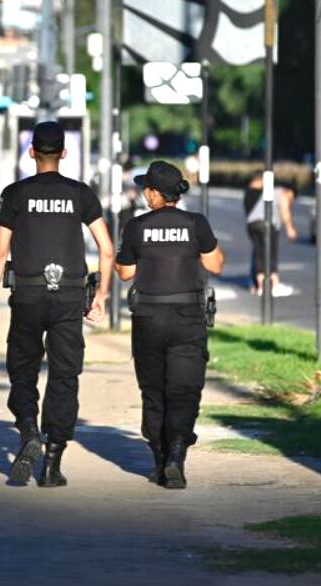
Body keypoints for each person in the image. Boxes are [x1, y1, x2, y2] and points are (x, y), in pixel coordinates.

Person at [0, 121, 113, 488]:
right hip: (69, 295)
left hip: (27, 293)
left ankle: (29, 431)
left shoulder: (15, 194)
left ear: (32, 153)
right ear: (64, 153)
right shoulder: (81, 194)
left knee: (22, 369)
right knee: (64, 375)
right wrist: (101, 295)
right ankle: (52, 463)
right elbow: (106, 249)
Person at [115, 161, 224, 489]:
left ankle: (159, 460)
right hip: (187, 317)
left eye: (145, 189)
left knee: (153, 390)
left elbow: (125, 272)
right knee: (184, 389)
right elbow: (215, 264)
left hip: (148, 318)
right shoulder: (195, 223)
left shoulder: (136, 226)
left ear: (153, 193)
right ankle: (177, 452)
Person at [244, 172, 297, 296]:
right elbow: (284, 210)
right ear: (289, 191)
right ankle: (274, 285)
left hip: (252, 223)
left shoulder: (271, 191)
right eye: (293, 197)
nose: (292, 200)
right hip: (267, 224)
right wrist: (290, 228)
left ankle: (260, 286)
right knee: (270, 254)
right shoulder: (283, 193)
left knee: (259, 254)